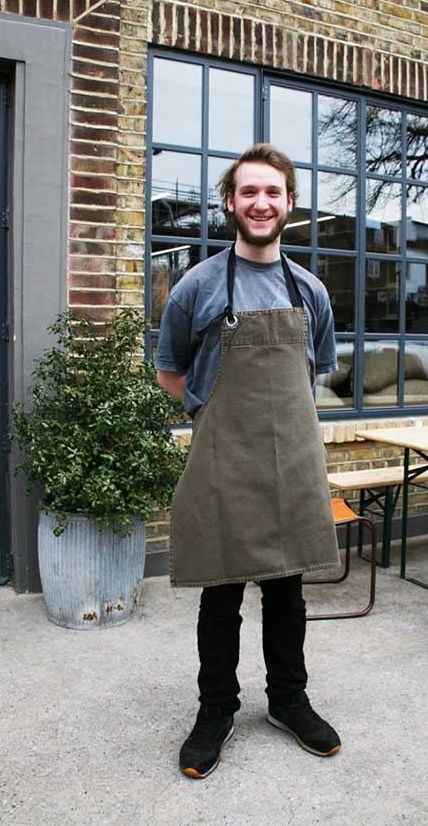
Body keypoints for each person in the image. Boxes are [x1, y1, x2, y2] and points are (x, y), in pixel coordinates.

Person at [155, 143, 341, 779]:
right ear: (230, 203)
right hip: (224, 462)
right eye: (248, 192)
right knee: (222, 592)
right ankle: (216, 711)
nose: (261, 203)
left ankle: (289, 701)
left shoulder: (310, 289)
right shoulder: (198, 286)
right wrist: (210, 419)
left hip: (291, 461)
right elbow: (171, 372)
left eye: (273, 193)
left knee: (288, 591)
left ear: (289, 204)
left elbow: (311, 375)